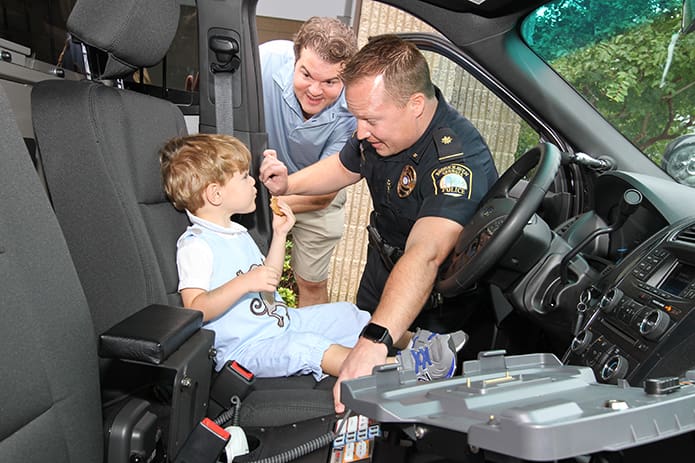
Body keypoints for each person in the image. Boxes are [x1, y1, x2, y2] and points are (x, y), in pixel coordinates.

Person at [259, 35, 498, 411]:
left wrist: (373, 342)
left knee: (410, 403)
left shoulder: (456, 163)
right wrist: (289, 183)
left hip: (427, 305)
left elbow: (426, 254)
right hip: (380, 276)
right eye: (356, 118)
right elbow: (342, 166)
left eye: (369, 119)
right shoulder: (379, 131)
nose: (360, 132)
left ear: (415, 105)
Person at [159, 133, 467, 382]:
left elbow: (267, 280)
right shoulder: (196, 245)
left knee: (348, 314)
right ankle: (400, 371)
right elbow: (196, 308)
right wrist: (242, 284)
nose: (253, 182)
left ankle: (420, 342)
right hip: (245, 348)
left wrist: (280, 235)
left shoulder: (236, 233)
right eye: (243, 178)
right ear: (215, 194)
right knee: (307, 347)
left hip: (281, 323)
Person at [259, 17, 358, 307]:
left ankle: (314, 346)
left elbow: (325, 193)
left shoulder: (353, 111)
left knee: (310, 282)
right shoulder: (264, 61)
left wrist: (273, 203)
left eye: (330, 82)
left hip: (317, 197)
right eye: (306, 75)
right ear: (295, 57)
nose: (315, 90)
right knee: (248, 270)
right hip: (258, 183)